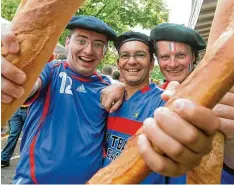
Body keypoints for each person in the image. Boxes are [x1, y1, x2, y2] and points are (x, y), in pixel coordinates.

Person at [1, 15, 127, 184]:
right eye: (81, 41)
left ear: (103, 53)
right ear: (68, 42)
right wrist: (14, 75)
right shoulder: (51, 71)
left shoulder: (107, 86)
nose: (89, 50)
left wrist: (122, 86)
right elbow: (28, 86)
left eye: (98, 44)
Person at [102, 31, 227, 183]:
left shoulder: (165, 101)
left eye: (140, 55)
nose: (132, 61)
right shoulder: (107, 98)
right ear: (118, 63)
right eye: (125, 56)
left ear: (151, 63)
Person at [150, 23, 234, 183]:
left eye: (181, 55)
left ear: (194, 57)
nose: (173, 64)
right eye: (165, 57)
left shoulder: (224, 96)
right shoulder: (157, 94)